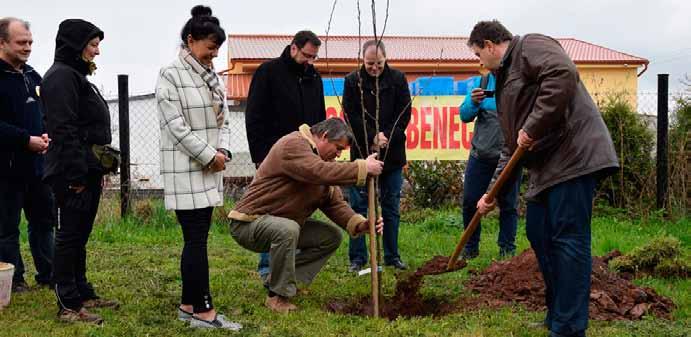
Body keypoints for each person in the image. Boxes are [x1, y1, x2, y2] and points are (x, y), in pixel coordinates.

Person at [469, 20, 619, 337]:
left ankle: (569, 326)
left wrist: (533, 125)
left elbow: (563, 75)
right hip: (547, 167)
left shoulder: (531, 46)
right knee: (538, 233)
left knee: (568, 239)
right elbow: (514, 147)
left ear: (489, 44)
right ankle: (557, 314)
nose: (478, 62)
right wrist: (491, 194)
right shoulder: (504, 78)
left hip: (573, 156)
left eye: (477, 54)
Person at [228, 118, 384, 313]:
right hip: (249, 223)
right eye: (337, 148)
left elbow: (335, 204)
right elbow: (317, 172)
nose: (338, 155)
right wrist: (361, 168)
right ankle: (277, 297)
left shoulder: (321, 164)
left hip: (280, 226)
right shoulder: (293, 144)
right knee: (288, 228)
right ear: (325, 136)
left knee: (330, 237)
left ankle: (280, 281)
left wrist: (362, 225)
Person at [155, 5, 241, 330]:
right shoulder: (170, 75)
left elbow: (226, 119)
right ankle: (204, 311)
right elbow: (176, 127)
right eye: (208, 50)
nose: (212, 58)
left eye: (216, 52)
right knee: (195, 239)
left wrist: (223, 149)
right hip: (186, 169)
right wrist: (209, 155)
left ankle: (188, 304)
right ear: (191, 41)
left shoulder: (211, 78)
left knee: (198, 238)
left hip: (211, 166)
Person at [41, 18, 119, 324]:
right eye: (93, 44)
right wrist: (75, 177)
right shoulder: (60, 77)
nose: (97, 52)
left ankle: (82, 290)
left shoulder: (75, 75)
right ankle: (68, 304)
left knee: (80, 234)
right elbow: (63, 130)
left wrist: (92, 172)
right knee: (69, 236)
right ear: (75, 44)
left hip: (86, 171)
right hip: (69, 173)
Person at [244, 30, 326, 282]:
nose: (310, 61)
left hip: (306, 159)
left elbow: (320, 120)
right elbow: (254, 116)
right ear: (293, 48)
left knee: (300, 208)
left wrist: (319, 155)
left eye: (314, 57)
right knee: (274, 210)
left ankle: (289, 268)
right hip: (274, 158)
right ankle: (267, 268)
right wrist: (260, 155)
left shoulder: (314, 78)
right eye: (306, 55)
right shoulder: (268, 73)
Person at [343, 40, 411, 272]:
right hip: (362, 154)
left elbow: (404, 114)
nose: (374, 68)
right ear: (362, 60)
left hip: (392, 155)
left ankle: (392, 256)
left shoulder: (398, 80)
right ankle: (358, 258)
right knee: (358, 206)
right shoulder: (352, 82)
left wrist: (387, 136)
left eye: (379, 63)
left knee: (391, 206)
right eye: (369, 63)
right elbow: (350, 115)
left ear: (386, 59)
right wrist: (372, 136)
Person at [0, 17, 56, 294]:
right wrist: (24, 140)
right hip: (6, 169)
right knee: (7, 228)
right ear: (2, 43)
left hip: (38, 167)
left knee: (44, 222)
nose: (28, 47)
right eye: (21, 42)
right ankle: (15, 279)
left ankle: (48, 273)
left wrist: (46, 134)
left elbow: (44, 113)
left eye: (30, 42)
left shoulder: (33, 75)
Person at [458, 72, 522, 259]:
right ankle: (470, 248)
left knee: (509, 205)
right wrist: (473, 102)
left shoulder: (517, 81)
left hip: (510, 158)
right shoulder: (482, 82)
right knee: (470, 202)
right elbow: (464, 115)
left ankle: (507, 249)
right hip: (480, 157)